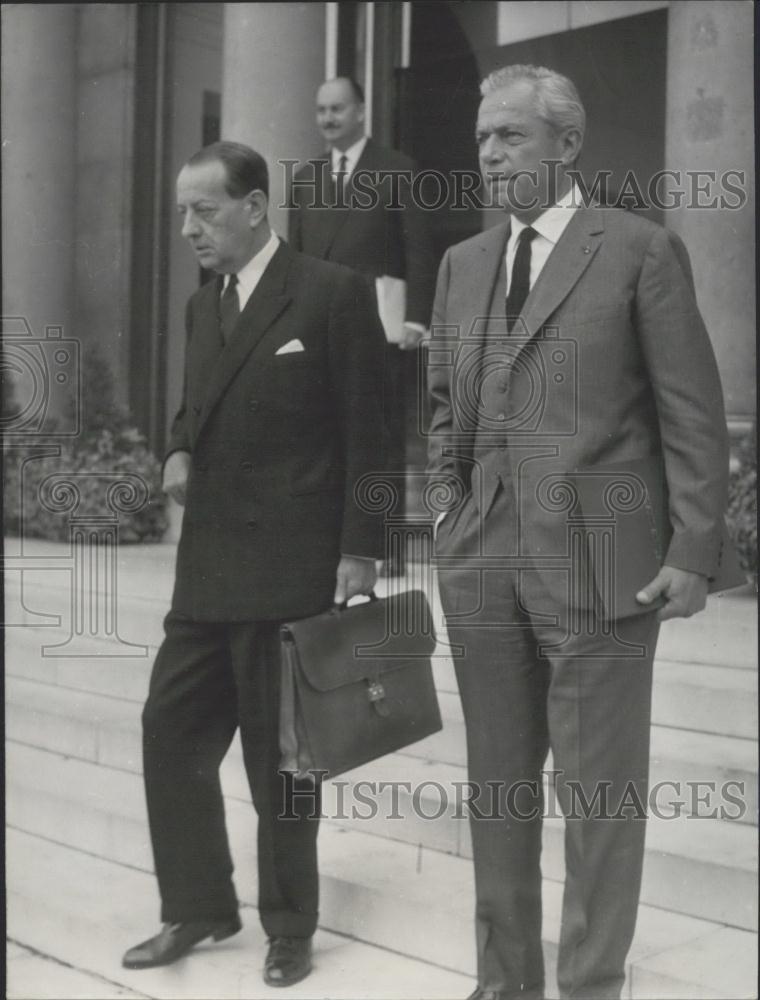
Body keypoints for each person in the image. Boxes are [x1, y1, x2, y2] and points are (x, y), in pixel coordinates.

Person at [426, 65, 730, 1000]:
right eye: (482, 138)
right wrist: (448, 507)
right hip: (485, 568)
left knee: (600, 801)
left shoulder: (638, 249)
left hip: (604, 565)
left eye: (509, 136)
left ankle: (592, 982)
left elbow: (693, 413)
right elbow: (445, 407)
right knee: (498, 791)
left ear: (566, 145)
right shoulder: (462, 264)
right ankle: (503, 980)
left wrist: (691, 550)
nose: (488, 153)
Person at [122, 141, 385, 988]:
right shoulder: (206, 306)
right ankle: (198, 904)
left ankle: (290, 925)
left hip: (293, 570)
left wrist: (362, 548)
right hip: (206, 574)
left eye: (204, 210)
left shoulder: (332, 294)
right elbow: (195, 402)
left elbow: (373, 431)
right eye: (182, 212)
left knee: (282, 764)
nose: (188, 227)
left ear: (257, 207)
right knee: (170, 732)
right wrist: (175, 448)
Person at [288, 76, 437, 574]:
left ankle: (386, 549)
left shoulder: (397, 169)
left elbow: (418, 249)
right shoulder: (306, 178)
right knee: (322, 431)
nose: (328, 118)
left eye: (337, 109)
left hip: (381, 323)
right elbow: (297, 260)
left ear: (360, 112)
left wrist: (418, 316)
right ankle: (329, 544)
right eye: (321, 110)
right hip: (320, 324)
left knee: (380, 436)